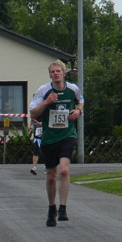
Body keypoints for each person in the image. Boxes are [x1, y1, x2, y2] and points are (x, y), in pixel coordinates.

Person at [28, 59, 83, 227]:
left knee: (64, 170)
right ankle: (52, 208)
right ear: (50, 75)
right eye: (52, 72)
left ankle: (63, 208)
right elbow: (33, 113)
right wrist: (46, 102)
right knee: (51, 176)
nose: (55, 74)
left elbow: (80, 101)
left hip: (67, 134)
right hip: (49, 137)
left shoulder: (73, 89)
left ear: (64, 73)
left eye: (58, 71)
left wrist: (78, 111)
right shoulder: (43, 91)